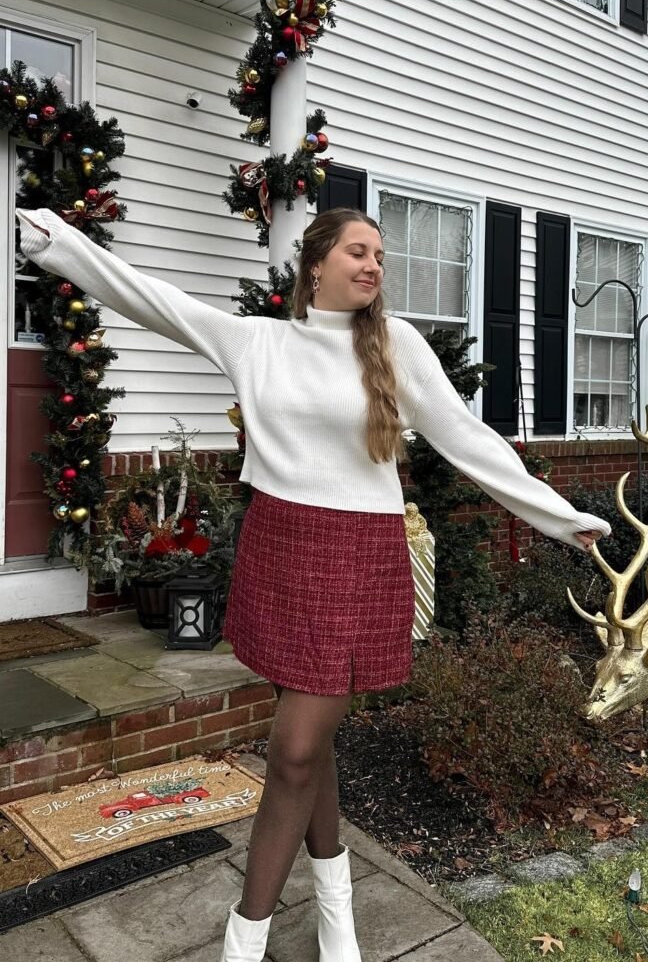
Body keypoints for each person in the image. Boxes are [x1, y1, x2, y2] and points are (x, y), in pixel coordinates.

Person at [17, 206, 610, 962]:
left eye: (379, 257)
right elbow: (151, 297)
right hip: (280, 546)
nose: (372, 266)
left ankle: (245, 940)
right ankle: (337, 911)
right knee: (312, 740)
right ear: (315, 265)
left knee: (294, 750)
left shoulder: (397, 346)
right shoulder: (257, 340)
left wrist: (559, 516)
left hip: (358, 555)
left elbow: (466, 436)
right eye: (357, 252)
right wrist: (57, 242)